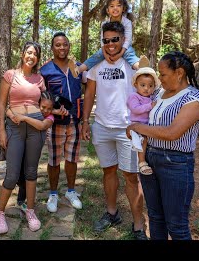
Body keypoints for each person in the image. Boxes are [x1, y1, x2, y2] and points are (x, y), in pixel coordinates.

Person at [126, 51, 199, 240]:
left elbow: (173, 133)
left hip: (176, 163)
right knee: (156, 218)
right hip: (149, 159)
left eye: (162, 74)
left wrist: (137, 127)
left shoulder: (196, 97)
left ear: (179, 73)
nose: (159, 79)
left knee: (177, 225)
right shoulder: (159, 93)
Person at [81, 21, 147, 240]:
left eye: (114, 39)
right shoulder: (97, 65)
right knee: (108, 171)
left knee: (131, 176)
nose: (110, 44)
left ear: (122, 40)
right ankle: (112, 214)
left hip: (128, 128)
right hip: (101, 126)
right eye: (106, 40)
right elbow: (89, 94)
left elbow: (148, 87)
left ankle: (139, 225)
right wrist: (84, 122)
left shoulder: (132, 64)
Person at [0, 41, 46, 234]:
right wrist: (1, 130)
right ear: (23, 53)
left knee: (31, 171)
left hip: (35, 127)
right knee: (12, 173)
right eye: (29, 52)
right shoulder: (10, 75)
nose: (31, 56)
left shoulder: (39, 79)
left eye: (35, 54)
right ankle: (0, 213)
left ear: (38, 58)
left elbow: (45, 104)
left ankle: (30, 211)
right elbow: (1, 104)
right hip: (14, 127)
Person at [39, 32, 87, 213]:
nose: (61, 48)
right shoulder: (45, 70)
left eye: (65, 44)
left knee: (72, 158)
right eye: (58, 45)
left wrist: (84, 118)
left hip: (74, 120)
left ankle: (71, 191)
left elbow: (88, 85)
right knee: (53, 159)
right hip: (55, 122)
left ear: (69, 46)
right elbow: (41, 98)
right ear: (52, 48)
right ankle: (53, 194)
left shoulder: (78, 67)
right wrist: (50, 111)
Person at [74, 0, 140, 76]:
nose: (115, 8)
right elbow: (102, 40)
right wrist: (105, 54)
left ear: (123, 9)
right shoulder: (104, 23)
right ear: (107, 10)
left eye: (118, 5)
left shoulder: (127, 22)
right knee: (97, 55)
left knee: (129, 54)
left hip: (124, 47)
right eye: (112, 6)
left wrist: (120, 53)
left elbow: (128, 40)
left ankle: (140, 67)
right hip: (108, 46)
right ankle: (79, 69)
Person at [127, 61, 160, 176]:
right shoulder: (134, 96)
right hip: (137, 124)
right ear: (135, 85)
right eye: (143, 85)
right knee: (143, 140)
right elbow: (135, 109)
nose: (146, 88)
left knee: (147, 140)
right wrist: (150, 106)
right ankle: (141, 162)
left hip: (147, 124)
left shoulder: (151, 97)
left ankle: (145, 160)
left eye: (150, 86)